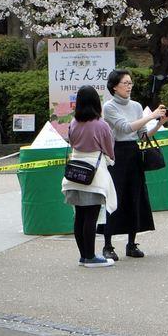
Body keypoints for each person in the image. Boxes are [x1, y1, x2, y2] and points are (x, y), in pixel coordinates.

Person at [98, 69, 165, 261]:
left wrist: (160, 123)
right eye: (125, 83)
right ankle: (108, 244)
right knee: (115, 197)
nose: (129, 87)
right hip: (116, 154)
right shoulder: (109, 107)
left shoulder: (136, 106)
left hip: (134, 153)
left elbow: (142, 135)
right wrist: (151, 116)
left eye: (130, 83)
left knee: (135, 196)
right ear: (114, 87)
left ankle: (131, 243)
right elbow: (125, 128)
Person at [64, 86, 118, 268]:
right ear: (96, 102)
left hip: (74, 175)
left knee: (79, 215)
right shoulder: (101, 125)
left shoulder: (73, 123)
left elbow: (71, 143)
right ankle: (90, 257)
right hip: (93, 175)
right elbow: (109, 151)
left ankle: (83, 255)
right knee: (91, 216)